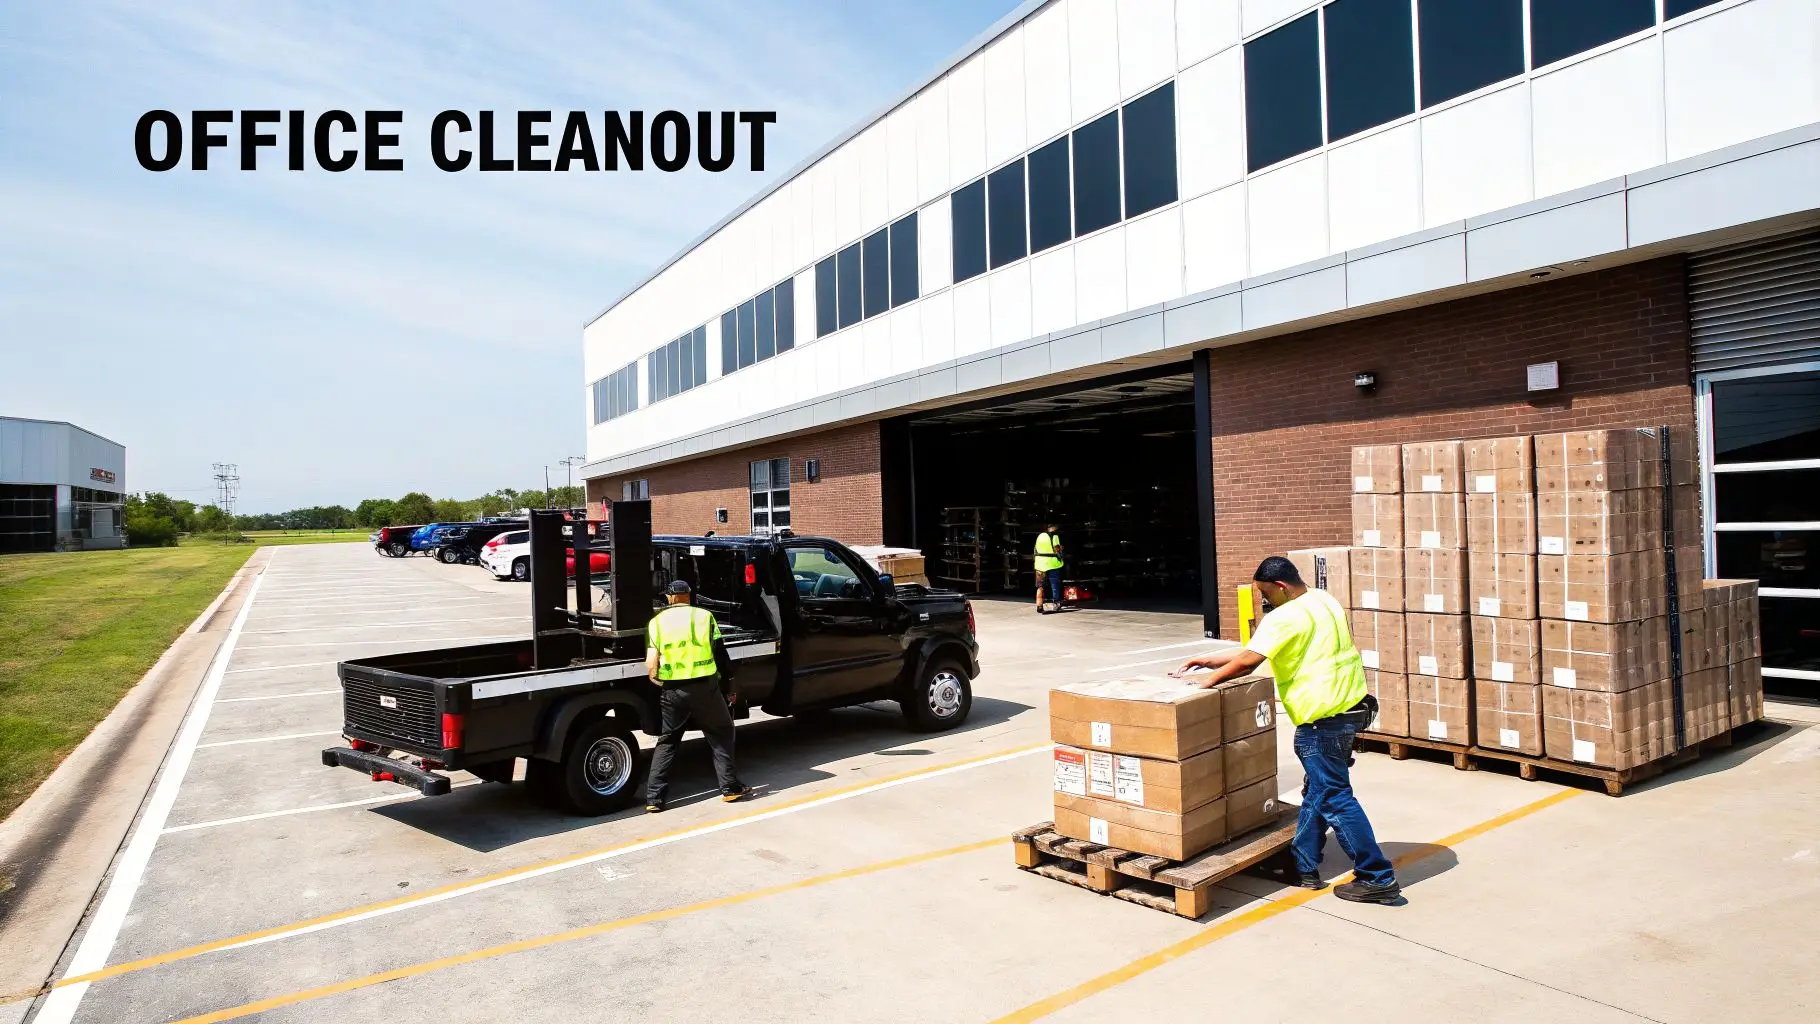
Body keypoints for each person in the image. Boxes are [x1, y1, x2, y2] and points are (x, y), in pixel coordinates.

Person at [1170, 556, 1401, 905]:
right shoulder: (1323, 600)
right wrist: (1211, 659)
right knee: (1319, 791)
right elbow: (1257, 650)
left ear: (1280, 587)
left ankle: (1377, 876)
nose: (1265, 601)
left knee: (1336, 798)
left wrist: (1206, 683)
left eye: (1266, 593)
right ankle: (1302, 865)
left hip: (1321, 721)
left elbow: (1250, 662)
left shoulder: (1284, 616)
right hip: (1351, 709)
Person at [644, 580, 749, 812]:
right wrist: (730, 685)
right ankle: (730, 789)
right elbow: (720, 654)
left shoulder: (656, 622)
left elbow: (651, 662)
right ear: (688, 596)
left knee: (668, 741)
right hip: (705, 688)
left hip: (672, 689)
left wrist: (659, 681)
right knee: (721, 733)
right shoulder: (705, 617)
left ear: (670, 598)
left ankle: (654, 799)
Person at [1033, 524, 1064, 613]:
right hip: (1052, 564)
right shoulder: (1054, 536)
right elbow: (1057, 549)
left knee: (1040, 586)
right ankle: (1056, 604)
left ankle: (1039, 605)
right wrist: (1061, 553)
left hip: (1039, 564)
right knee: (1054, 584)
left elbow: (1036, 549)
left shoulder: (1040, 536)